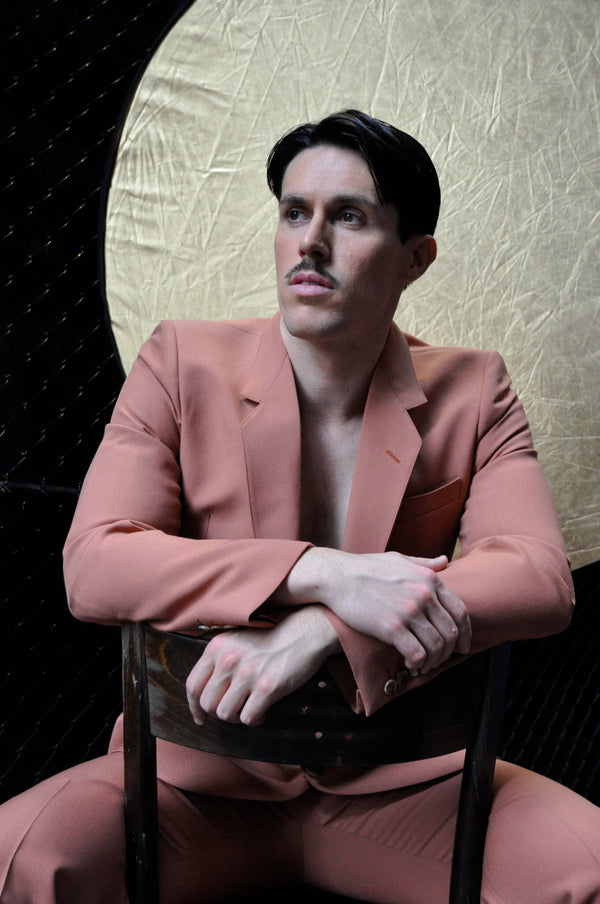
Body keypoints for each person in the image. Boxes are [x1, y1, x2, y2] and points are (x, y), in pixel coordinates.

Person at [0, 109, 599, 904]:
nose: (310, 242)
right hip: (193, 785)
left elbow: (538, 580)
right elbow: (97, 562)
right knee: (23, 856)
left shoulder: (476, 386)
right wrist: (320, 574)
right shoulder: (179, 362)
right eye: (293, 212)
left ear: (415, 257)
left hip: (410, 793)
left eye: (347, 216)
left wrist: (332, 623)